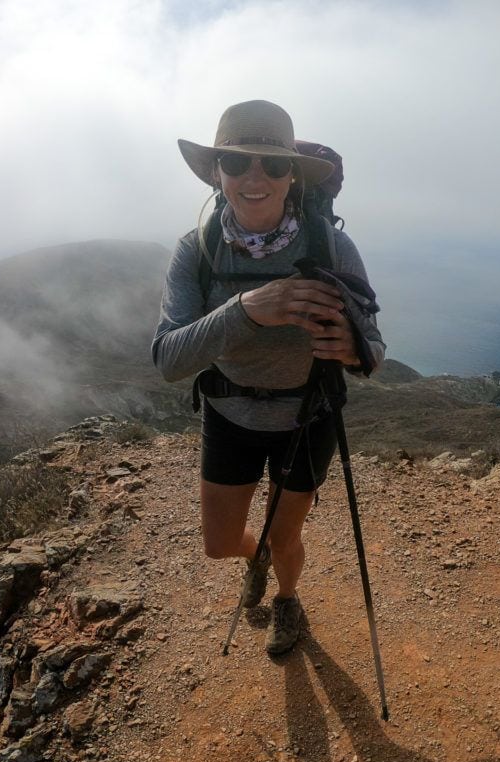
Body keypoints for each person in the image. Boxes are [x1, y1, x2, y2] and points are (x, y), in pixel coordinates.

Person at [152, 100, 384, 655]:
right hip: (229, 415)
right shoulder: (197, 251)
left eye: (273, 165)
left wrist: (355, 349)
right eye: (236, 163)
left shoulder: (330, 246)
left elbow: (373, 344)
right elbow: (168, 360)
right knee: (220, 543)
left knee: (287, 536)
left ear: (292, 178)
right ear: (216, 173)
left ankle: (287, 599)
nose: (254, 177)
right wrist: (247, 309)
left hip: (308, 416)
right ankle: (251, 561)